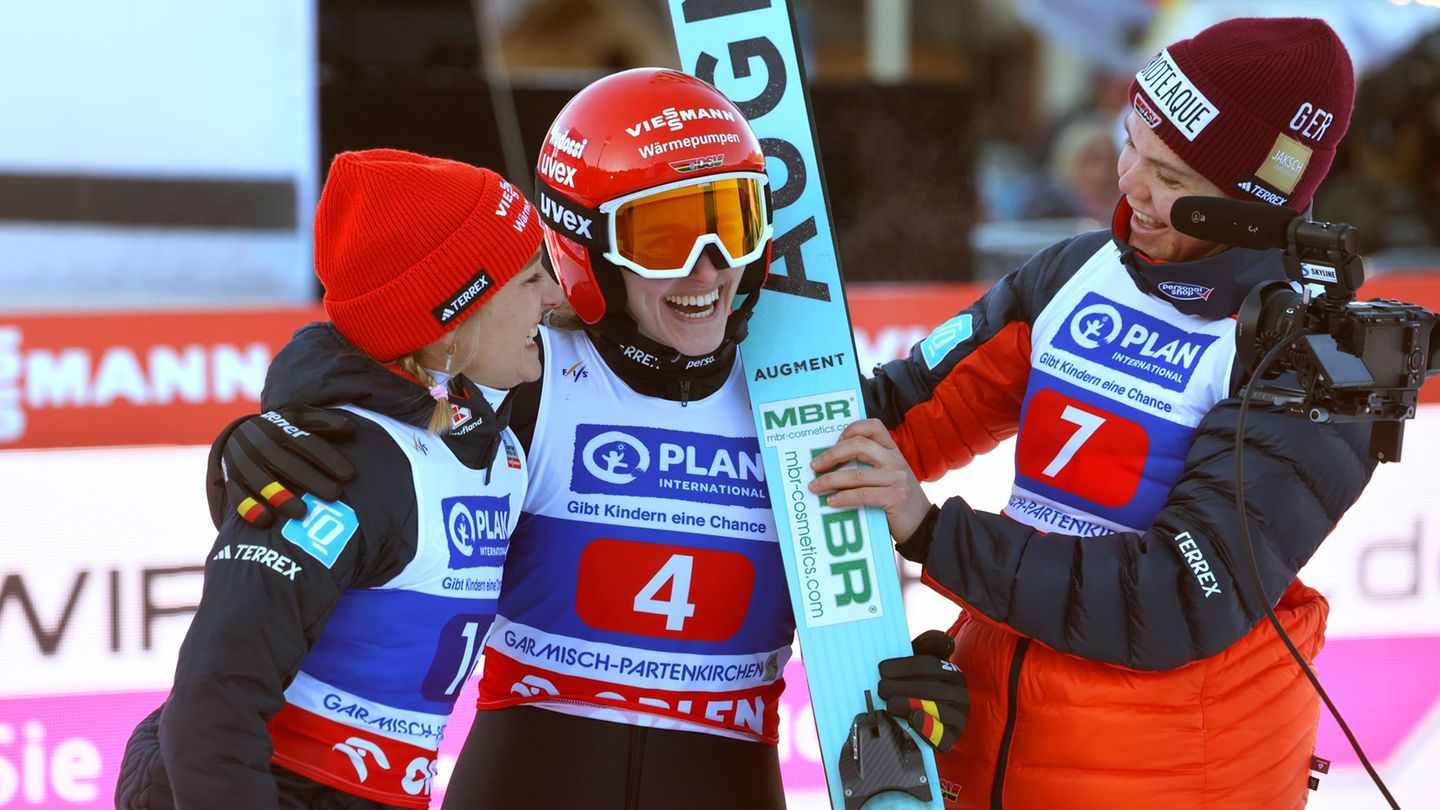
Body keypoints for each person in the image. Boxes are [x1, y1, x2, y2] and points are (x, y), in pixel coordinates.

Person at [198, 69, 967, 809]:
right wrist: (269, 428)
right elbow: (390, 357)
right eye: (664, 235)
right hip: (526, 781)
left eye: (733, 223)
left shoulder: (804, 400)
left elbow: (874, 609)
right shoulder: (530, 374)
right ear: (586, 242)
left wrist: (913, 678)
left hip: (727, 781)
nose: (710, 267)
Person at [810, 17, 1376, 810]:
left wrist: (936, 536)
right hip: (1008, 756)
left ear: (1252, 207)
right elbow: (897, 416)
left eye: (1172, 178)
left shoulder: (1313, 354)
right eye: (1131, 144)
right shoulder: (1081, 271)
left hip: (1176, 781)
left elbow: (1179, 597)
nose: (1129, 185)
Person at [114, 148, 561, 809]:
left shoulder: (485, 431)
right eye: (529, 280)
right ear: (452, 321)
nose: (554, 295)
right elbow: (212, 709)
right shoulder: (339, 468)